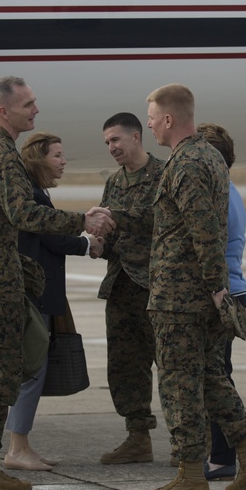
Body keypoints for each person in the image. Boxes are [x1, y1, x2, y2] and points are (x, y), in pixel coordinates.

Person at [0, 76, 114, 490]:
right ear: (4, 111)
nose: (35, 112)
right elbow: (25, 214)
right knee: (1, 372)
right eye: (28, 106)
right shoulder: (1, 152)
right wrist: (83, 222)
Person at [112, 84, 246, 490]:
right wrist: (114, 218)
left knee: (179, 385)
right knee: (210, 379)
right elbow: (174, 216)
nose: (147, 123)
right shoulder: (207, 157)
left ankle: (189, 476)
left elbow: (204, 232)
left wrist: (217, 289)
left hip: (181, 298)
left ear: (168, 119)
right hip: (195, 293)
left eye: (151, 116)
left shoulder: (186, 162)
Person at [5, 133, 103, 471]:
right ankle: (17, 449)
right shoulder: (32, 195)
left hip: (35, 294)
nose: (63, 161)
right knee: (31, 372)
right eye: (57, 155)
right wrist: (87, 243)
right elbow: (52, 237)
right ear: (38, 159)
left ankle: (21, 445)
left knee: (31, 370)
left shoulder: (36, 192)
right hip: (34, 296)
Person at [96, 112, 165, 465]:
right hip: (121, 284)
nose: (111, 147)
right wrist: (97, 243)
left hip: (156, 286)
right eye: (107, 142)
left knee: (171, 366)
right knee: (124, 365)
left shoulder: (164, 175)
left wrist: (115, 218)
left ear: (136, 137)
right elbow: (112, 233)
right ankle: (138, 437)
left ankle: (192, 441)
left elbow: (160, 222)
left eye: (116, 140)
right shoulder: (114, 182)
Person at [196, 122, 246, 482]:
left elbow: (208, 247)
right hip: (231, 288)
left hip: (222, 291)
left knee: (215, 376)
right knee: (215, 374)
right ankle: (220, 453)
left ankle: (225, 456)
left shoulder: (218, 195)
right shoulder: (229, 190)